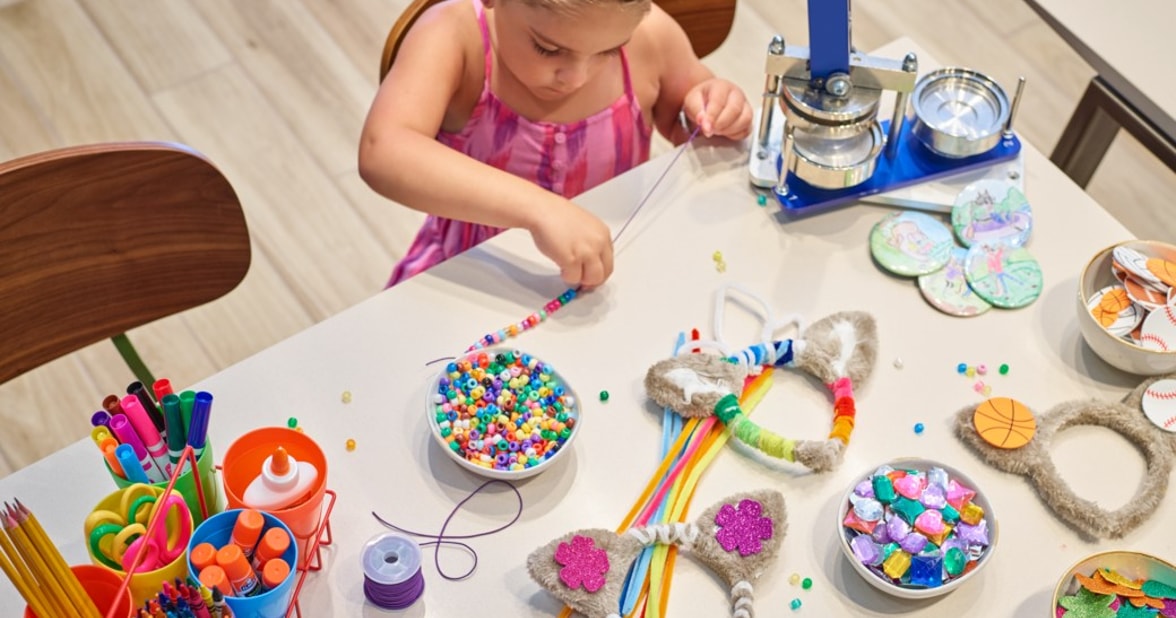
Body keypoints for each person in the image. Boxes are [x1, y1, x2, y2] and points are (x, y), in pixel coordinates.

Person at [358, 0, 752, 288]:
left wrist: (714, 107)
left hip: (609, 279)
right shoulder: (455, 36)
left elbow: (687, 118)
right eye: (548, 49)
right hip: (474, 276)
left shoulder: (651, 38)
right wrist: (538, 209)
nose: (576, 77)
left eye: (608, 51)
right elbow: (384, 150)